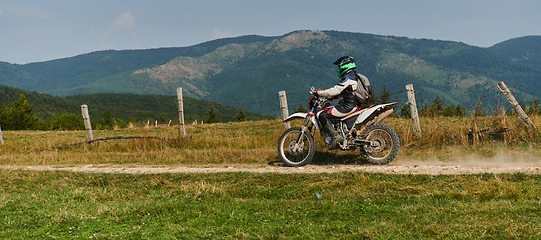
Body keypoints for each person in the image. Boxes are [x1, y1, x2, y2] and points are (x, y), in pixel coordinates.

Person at [313, 56, 372, 149]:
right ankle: (341, 133)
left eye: (339, 67)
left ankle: (335, 136)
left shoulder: (348, 78)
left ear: (345, 66)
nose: (339, 69)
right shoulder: (355, 76)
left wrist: (319, 92)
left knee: (322, 115)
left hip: (348, 106)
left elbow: (335, 90)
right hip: (354, 105)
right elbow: (348, 91)